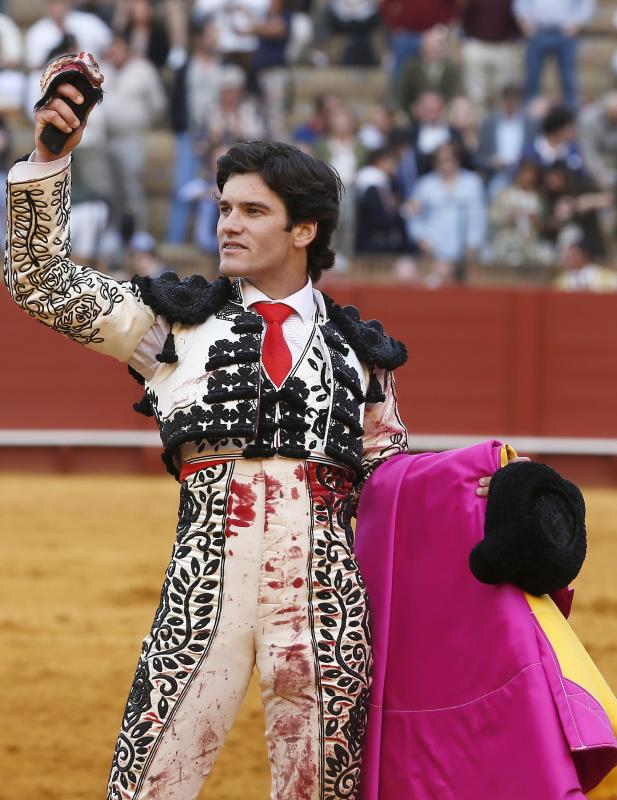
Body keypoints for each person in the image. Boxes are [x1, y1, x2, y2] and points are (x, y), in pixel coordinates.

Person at [407, 141, 486, 285]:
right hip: (432, 251)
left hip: (463, 252)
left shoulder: (472, 183)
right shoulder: (425, 184)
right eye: (440, 161)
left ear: (457, 160)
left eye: (448, 160)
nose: (444, 165)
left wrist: (473, 243)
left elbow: (478, 217)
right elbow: (413, 216)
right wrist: (421, 239)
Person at [513, 0, 596, 109]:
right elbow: (521, 3)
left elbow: (586, 4)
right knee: (532, 75)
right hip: (537, 30)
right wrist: (525, 21)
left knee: (568, 76)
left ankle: (571, 113)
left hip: (564, 32)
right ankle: (529, 113)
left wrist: (577, 24)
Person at [460, 0, 522, 110]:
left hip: (502, 46)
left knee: (503, 91)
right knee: (475, 92)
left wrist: (515, 37)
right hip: (478, 45)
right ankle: (477, 120)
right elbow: (467, 17)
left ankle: (497, 121)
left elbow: (515, 19)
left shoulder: (509, 2)